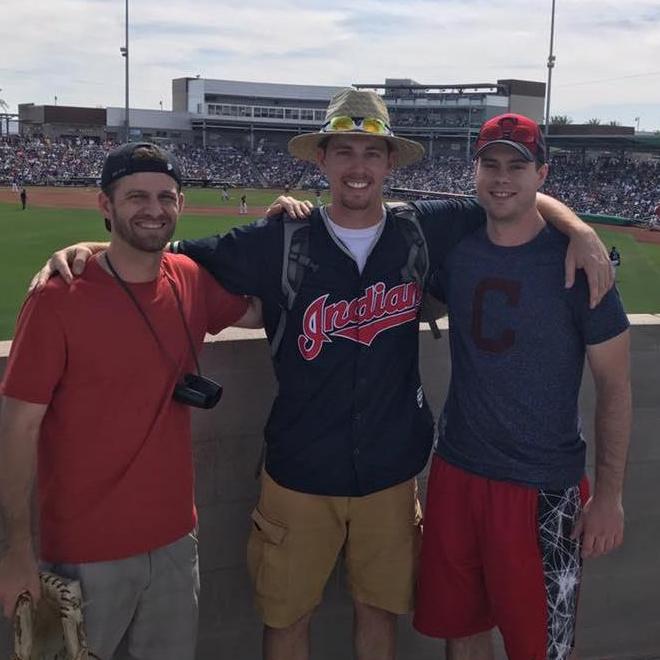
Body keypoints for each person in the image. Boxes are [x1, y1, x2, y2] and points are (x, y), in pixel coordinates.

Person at [30, 91, 612, 660]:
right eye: (343, 152)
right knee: (287, 620)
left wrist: (580, 229)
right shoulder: (277, 238)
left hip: (390, 470)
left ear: (389, 163)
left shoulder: (425, 228)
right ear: (321, 159)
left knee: (378, 614)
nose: (358, 167)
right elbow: (157, 247)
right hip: (299, 473)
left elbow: (514, 199)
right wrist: (93, 246)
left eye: (371, 153)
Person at [0, 142, 260, 660]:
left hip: (173, 543)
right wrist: (14, 552)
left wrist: (292, 221)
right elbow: (17, 429)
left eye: (166, 197)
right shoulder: (57, 298)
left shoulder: (189, 279)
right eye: (136, 196)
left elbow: (263, 310)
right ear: (105, 205)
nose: (153, 209)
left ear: (180, 205)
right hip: (81, 552)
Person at [412, 114, 631, 660]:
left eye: (517, 165)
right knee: (459, 629)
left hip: (544, 490)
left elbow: (616, 387)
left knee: (541, 649)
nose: (502, 177)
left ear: (542, 174)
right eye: (491, 164)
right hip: (457, 469)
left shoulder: (581, 267)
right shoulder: (458, 249)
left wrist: (608, 497)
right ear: (475, 171)